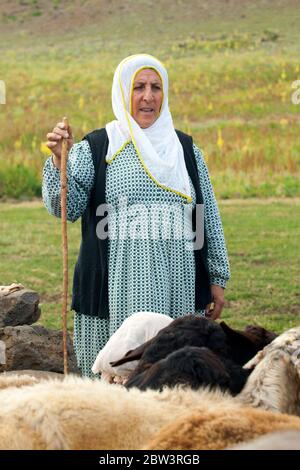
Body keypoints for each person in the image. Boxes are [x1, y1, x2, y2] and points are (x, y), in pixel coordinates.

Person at [42, 54, 230, 378]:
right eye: (138, 87)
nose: (148, 96)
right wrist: (61, 162)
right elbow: (65, 209)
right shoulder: (98, 147)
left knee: (172, 378)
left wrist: (216, 278)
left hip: (178, 283)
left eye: (156, 87)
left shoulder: (185, 149)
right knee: (111, 386)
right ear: (122, 91)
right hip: (113, 287)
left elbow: (205, 216)